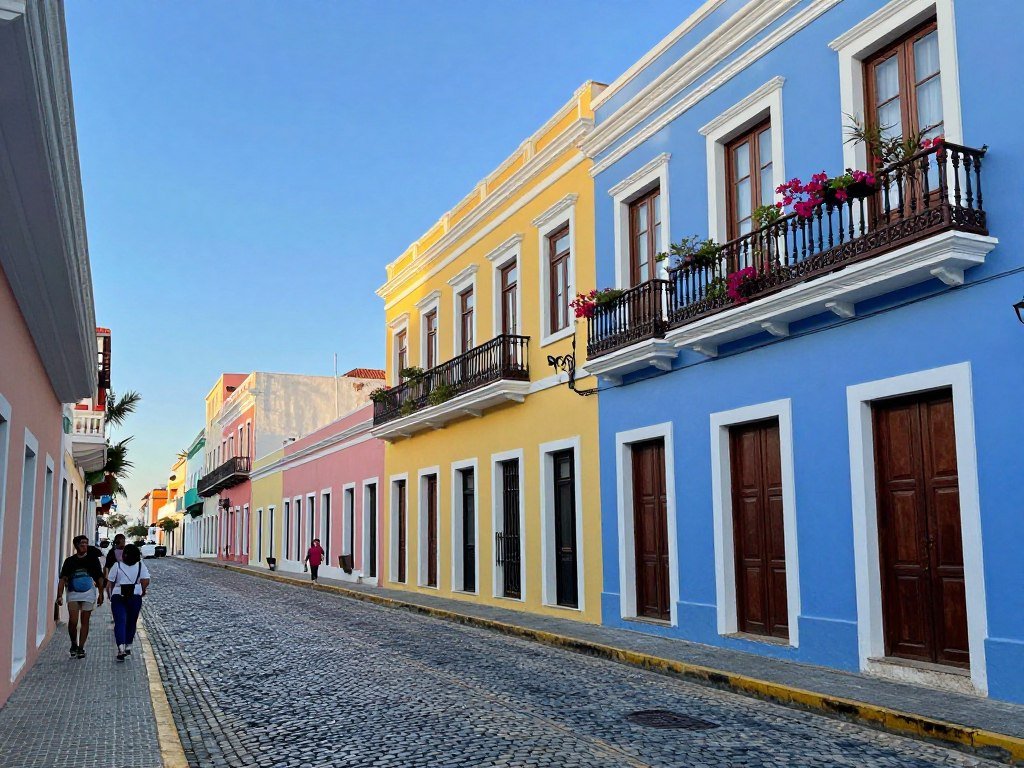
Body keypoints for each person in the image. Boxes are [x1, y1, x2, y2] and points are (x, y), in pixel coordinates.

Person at [56, 535, 105, 659]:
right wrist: (59, 595)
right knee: (73, 621)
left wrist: (101, 594)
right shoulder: (69, 561)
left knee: (85, 621)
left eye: (86, 543)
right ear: (76, 545)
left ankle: (81, 647)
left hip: (89, 593)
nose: (84, 545)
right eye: (82, 543)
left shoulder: (92, 560)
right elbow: (62, 579)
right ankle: (73, 643)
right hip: (73, 592)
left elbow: (99, 577)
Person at [106, 543, 150, 661]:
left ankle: (121, 648)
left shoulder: (117, 565)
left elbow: (109, 583)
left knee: (120, 622)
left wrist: (109, 596)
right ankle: (128, 645)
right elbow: (146, 580)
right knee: (131, 621)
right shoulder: (141, 566)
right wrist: (143, 590)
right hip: (135, 596)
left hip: (118, 596)